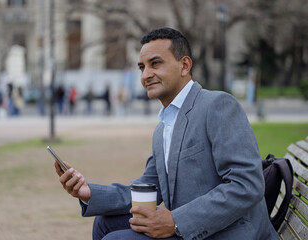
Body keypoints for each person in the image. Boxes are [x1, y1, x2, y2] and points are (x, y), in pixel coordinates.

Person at [54, 27, 279, 240]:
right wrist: (88, 192)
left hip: (228, 232)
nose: (146, 75)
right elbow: (148, 187)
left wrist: (175, 221)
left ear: (184, 65)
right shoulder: (163, 126)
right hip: (188, 228)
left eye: (155, 63)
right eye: (142, 67)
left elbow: (246, 185)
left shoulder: (217, 105)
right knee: (104, 223)